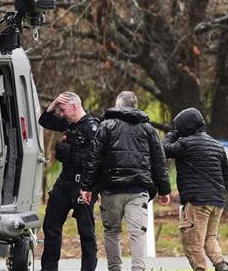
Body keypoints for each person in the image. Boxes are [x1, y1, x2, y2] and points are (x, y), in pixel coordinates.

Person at [80, 91, 172, 271]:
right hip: (139, 190)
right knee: (138, 233)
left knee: (111, 232)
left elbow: (94, 158)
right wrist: (164, 190)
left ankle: (115, 269)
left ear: (118, 105)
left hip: (111, 189)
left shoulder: (106, 126)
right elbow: (159, 160)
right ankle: (138, 269)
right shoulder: (148, 128)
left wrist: (87, 187)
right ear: (134, 106)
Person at [162, 108, 228, 271]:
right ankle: (221, 266)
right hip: (217, 201)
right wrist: (219, 194)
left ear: (185, 127)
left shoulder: (185, 144)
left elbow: (163, 148)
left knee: (193, 245)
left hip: (197, 201)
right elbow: (227, 174)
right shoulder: (217, 145)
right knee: (210, 239)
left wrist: (172, 133)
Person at [39, 92, 99, 271]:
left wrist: (70, 153)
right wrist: (54, 102)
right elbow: (45, 121)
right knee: (50, 226)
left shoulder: (92, 128)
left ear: (74, 106)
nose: (62, 114)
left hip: (83, 185)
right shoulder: (68, 124)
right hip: (64, 183)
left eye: (63, 109)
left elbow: (95, 160)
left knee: (86, 232)